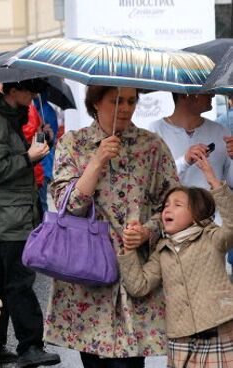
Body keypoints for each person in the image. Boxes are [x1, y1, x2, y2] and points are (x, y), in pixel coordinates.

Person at [49, 85, 180, 367]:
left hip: (135, 270)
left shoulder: (151, 146)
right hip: (88, 270)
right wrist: (97, 160)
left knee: (129, 362)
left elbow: (173, 206)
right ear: (96, 103)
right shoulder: (73, 143)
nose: (126, 108)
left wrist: (148, 230)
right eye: (117, 101)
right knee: (95, 361)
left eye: (132, 101)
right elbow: (68, 205)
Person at [118, 156, 233, 367]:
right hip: (181, 337)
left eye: (177, 204)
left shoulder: (211, 237)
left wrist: (214, 183)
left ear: (196, 213)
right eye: (166, 206)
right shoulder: (162, 250)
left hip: (220, 328)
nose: (167, 210)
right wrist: (129, 249)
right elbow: (138, 286)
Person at [0, 80, 59, 367]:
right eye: (29, 89)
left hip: (9, 214)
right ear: (12, 92)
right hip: (9, 216)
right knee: (19, 283)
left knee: (1, 284)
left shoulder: (7, 118)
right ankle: (30, 346)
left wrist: (33, 148)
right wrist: (28, 158)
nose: (34, 94)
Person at [147, 93, 233, 265]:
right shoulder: (155, 132)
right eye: (206, 90)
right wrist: (184, 161)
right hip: (172, 233)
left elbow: (230, 181)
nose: (213, 94)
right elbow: (152, 183)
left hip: (212, 231)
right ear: (187, 94)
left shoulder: (220, 131)